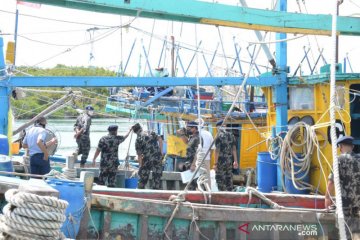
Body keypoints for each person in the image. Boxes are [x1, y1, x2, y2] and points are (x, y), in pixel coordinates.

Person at [325, 136, 360, 239]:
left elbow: (331, 182)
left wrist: (327, 197)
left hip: (344, 205)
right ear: (352, 146)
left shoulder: (339, 160)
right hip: (358, 205)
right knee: (357, 232)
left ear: (340, 147)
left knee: (344, 233)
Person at [133, 123, 163, 189]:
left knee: (143, 177)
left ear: (135, 132)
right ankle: (156, 192)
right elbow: (160, 139)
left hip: (147, 160)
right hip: (157, 158)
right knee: (157, 177)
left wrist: (140, 166)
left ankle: (140, 191)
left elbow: (139, 155)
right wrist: (160, 152)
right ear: (141, 128)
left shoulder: (138, 139)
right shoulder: (150, 132)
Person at [213, 120, 238, 191]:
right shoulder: (231, 135)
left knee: (220, 179)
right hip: (229, 161)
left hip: (221, 162)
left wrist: (215, 164)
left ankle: (222, 195)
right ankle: (230, 195)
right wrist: (235, 161)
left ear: (218, 127)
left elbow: (217, 151)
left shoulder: (218, 136)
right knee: (229, 178)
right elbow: (234, 149)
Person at [177, 121, 200, 190]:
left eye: (189, 128)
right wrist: (182, 135)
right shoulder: (192, 137)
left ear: (194, 128)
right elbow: (187, 143)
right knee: (189, 183)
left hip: (193, 163)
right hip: (189, 163)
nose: (187, 130)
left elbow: (198, 152)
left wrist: (193, 164)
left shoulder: (197, 138)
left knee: (193, 183)